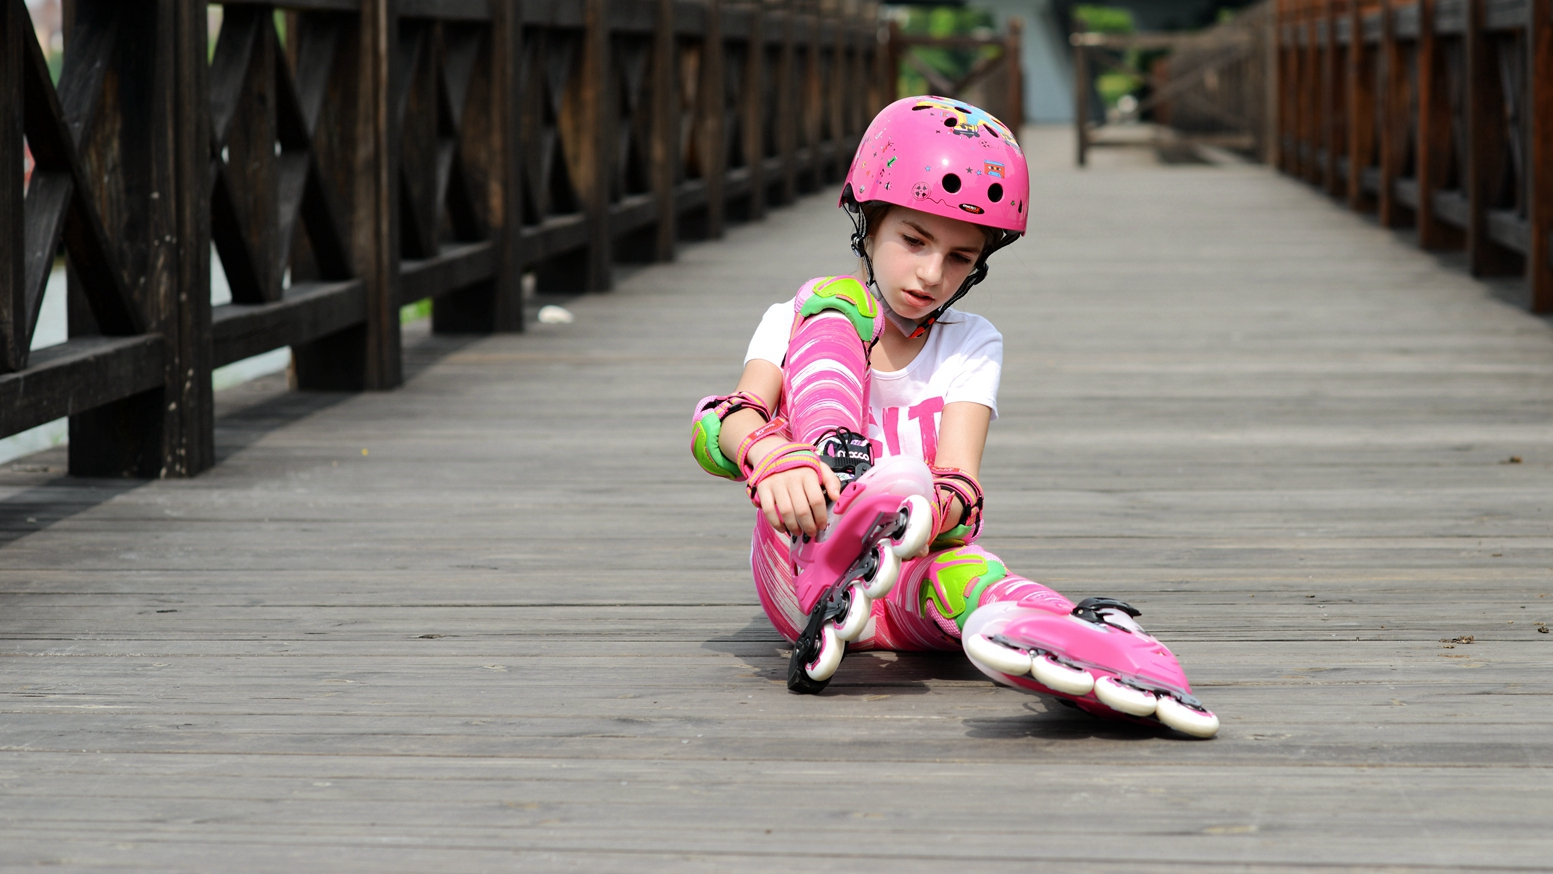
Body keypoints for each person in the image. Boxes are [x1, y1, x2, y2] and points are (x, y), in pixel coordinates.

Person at [690, 96, 1218, 737]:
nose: (931, 274)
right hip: (798, 571)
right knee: (832, 302)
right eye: (914, 241)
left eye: (960, 257)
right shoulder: (797, 317)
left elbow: (961, 489)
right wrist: (774, 456)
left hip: (897, 586)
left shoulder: (972, 342)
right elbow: (723, 423)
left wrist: (911, 517)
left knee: (972, 579)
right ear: (869, 221)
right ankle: (842, 481)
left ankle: (1095, 645)